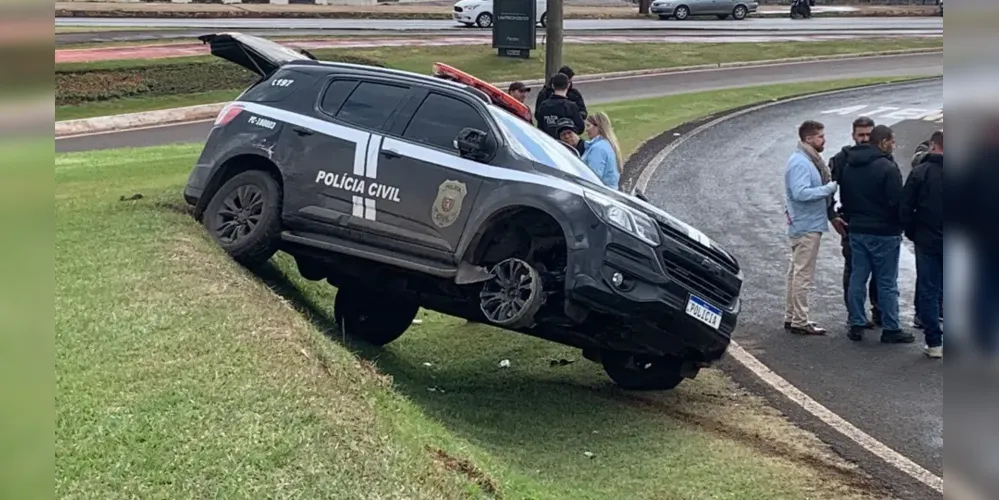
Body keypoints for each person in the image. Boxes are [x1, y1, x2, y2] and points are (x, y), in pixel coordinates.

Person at [838, 124, 914, 344]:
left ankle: (856, 323)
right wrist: (901, 224)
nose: (893, 145)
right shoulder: (887, 168)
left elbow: (846, 198)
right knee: (887, 282)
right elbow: (896, 202)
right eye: (891, 141)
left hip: (858, 229)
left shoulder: (849, 166)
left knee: (857, 278)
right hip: (884, 232)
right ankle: (891, 327)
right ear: (883, 142)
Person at [783, 120, 838, 336]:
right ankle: (800, 319)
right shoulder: (800, 163)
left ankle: (792, 316)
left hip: (804, 222)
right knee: (802, 274)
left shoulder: (805, 159)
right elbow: (800, 193)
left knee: (795, 273)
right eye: (820, 136)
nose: (824, 140)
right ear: (809, 138)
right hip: (806, 224)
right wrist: (829, 188)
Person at [827, 116, 881, 328]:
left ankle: (879, 311)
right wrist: (832, 216)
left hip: (878, 224)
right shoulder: (841, 159)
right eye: (861, 135)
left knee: (879, 272)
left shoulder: (883, 157)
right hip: (850, 222)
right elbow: (827, 189)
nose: (865, 138)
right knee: (853, 270)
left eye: (869, 134)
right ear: (853, 136)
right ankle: (854, 314)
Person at [900, 129, 944, 358]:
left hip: (926, 239)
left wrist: (912, 232)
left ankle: (934, 342)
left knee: (928, 289)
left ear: (933, 146)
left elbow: (905, 207)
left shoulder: (920, 173)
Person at [909, 137, 943, 329]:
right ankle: (924, 314)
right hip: (930, 233)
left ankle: (934, 313)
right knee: (929, 280)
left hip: (928, 233)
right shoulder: (928, 150)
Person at [534, 72, 584, 140]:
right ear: (568, 85)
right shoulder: (571, 106)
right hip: (565, 144)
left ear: (553, 86)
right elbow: (580, 127)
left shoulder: (543, 106)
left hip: (548, 143)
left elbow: (540, 128)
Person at [580, 111, 622, 190]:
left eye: (588, 126)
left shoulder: (598, 149)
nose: (586, 130)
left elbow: (593, 179)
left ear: (598, 127)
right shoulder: (607, 144)